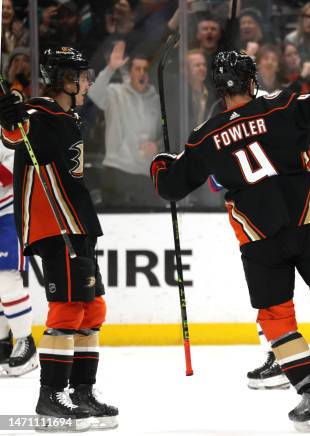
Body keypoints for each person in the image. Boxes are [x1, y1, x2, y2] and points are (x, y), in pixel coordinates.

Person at [150, 40, 310, 431]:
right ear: (250, 81)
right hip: (307, 223)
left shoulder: (204, 136)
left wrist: (162, 163)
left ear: (220, 88)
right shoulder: (281, 106)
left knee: (276, 318)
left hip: (259, 240)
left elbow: (169, 187)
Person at [0, 47, 118, 431]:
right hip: (55, 225)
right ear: (66, 79)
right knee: (68, 308)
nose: (87, 81)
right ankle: (50, 395)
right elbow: (15, 133)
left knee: (93, 308)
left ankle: (82, 391)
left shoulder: (69, 115)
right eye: (82, 76)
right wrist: (7, 120)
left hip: (78, 223)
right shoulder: (37, 112)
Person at [87, 41, 162, 208]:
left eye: (145, 70)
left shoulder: (156, 100)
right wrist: (110, 69)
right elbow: (93, 93)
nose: (142, 73)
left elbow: (160, 134)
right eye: (137, 69)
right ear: (130, 73)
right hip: (117, 171)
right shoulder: (115, 92)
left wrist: (156, 146)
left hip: (145, 173)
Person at [0, 146, 37, 377]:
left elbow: (14, 169)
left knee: (6, 278)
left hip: (8, 213)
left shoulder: (6, 128)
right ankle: (3, 344)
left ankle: (26, 342)